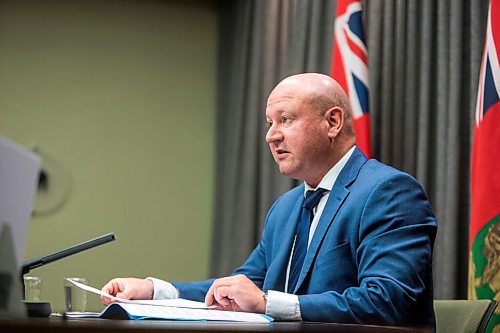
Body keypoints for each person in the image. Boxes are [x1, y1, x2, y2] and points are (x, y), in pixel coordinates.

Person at [101, 73, 437, 327]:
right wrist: (155, 291)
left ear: (332, 122)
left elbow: (390, 301)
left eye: (286, 120)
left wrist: (266, 303)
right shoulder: (286, 207)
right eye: (269, 123)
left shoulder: (388, 191)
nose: (271, 135)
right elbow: (241, 287)